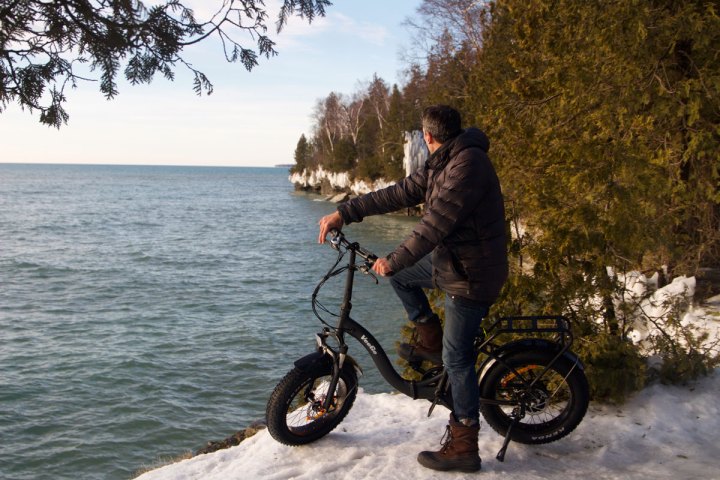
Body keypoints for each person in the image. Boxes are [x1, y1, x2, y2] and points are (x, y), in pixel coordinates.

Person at [318, 105, 508, 472]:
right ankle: (430, 338)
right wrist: (346, 211)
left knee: (458, 359)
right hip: (456, 263)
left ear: (428, 136)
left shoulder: (467, 166)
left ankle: (466, 443)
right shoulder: (444, 162)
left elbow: (435, 224)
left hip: (472, 275)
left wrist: (395, 258)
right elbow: (397, 194)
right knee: (401, 278)